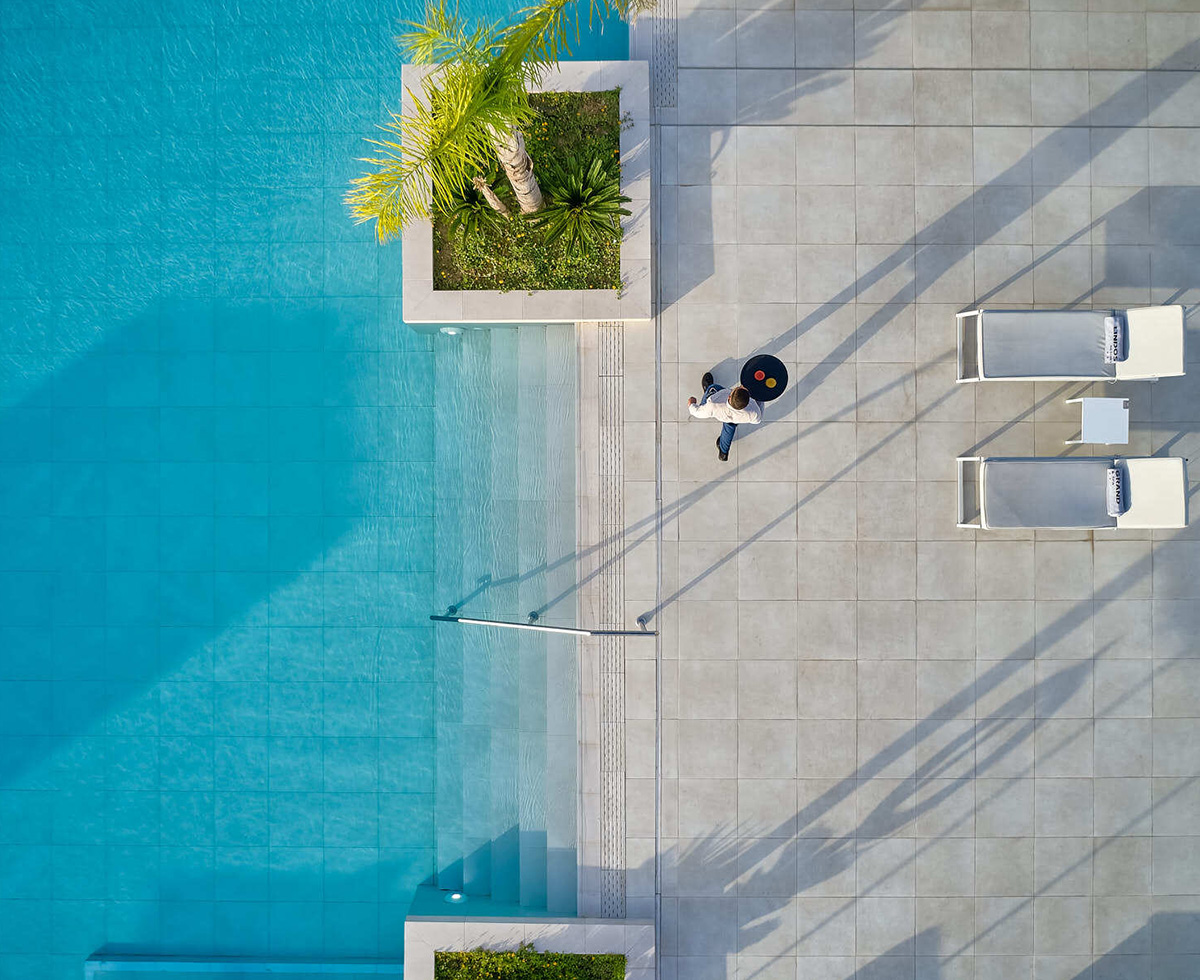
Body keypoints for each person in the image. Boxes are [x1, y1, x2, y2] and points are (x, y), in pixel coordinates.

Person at [687, 371, 763, 461]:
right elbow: (757, 419)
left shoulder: (714, 403)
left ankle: (707, 388)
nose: (741, 386)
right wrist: (761, 397)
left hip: (721, 413)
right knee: (730, 427)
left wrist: (691, 404)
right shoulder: (753, 412)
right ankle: (723, 452)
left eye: (738, 388)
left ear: (729, 397)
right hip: (738, 418)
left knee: (713, 388)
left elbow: (698, 413)